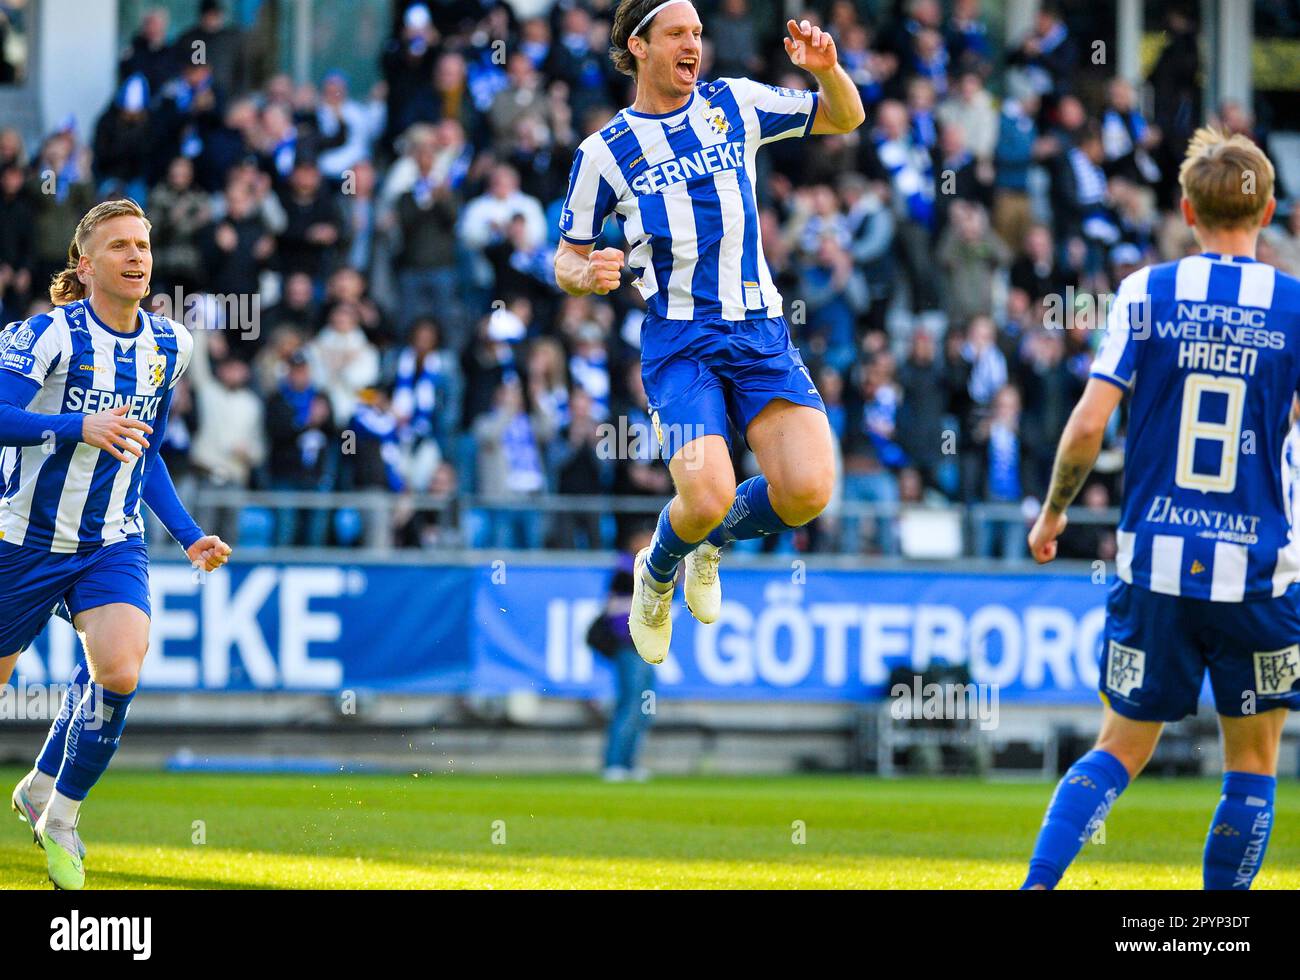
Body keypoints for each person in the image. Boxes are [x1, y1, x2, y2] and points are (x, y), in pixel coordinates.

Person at [1022, 129, 1299, 890]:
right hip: (1261, 573)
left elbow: (1086, 425)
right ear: (1270, 210)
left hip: (1155, 563)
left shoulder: (1146, 292)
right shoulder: (1295, 305)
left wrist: (1053, 516)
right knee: (1251, 763)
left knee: (1119, 747)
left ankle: (1035, 888)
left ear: (1185, 210)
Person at [553, 0, 864, 665]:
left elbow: (846, 116)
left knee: (808, 492)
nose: (693, 44)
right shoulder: (604, 153)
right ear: (639, 46)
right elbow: (566, 256)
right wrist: (589, 273)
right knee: (709, 492)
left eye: (698, 33)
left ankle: (709, 544)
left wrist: (829, 70)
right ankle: (657, 571)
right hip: (682, 343)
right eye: (677, 34)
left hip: (760, 332)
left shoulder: (735, 103)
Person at [0, 199, 230, 889]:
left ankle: (59, 809)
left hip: (111, 540)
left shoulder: (171, 344)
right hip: (21, 539)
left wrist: (188, 536)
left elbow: (146, 452)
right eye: (120, 246)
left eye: (143, 245)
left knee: (121, 668)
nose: (136, 257)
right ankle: (39, 784)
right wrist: (75, 428)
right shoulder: (44, 336)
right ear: (85, 263)